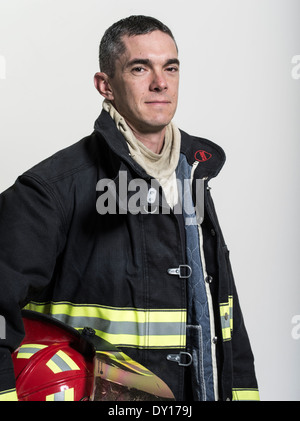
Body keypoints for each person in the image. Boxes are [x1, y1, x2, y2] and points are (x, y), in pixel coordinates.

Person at [0, 15, 259, 401]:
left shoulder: (192, 177)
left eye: (170, 67)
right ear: (105, 86)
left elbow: (225, 322)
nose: (161, 82)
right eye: (140, 68)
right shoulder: (50, 190)